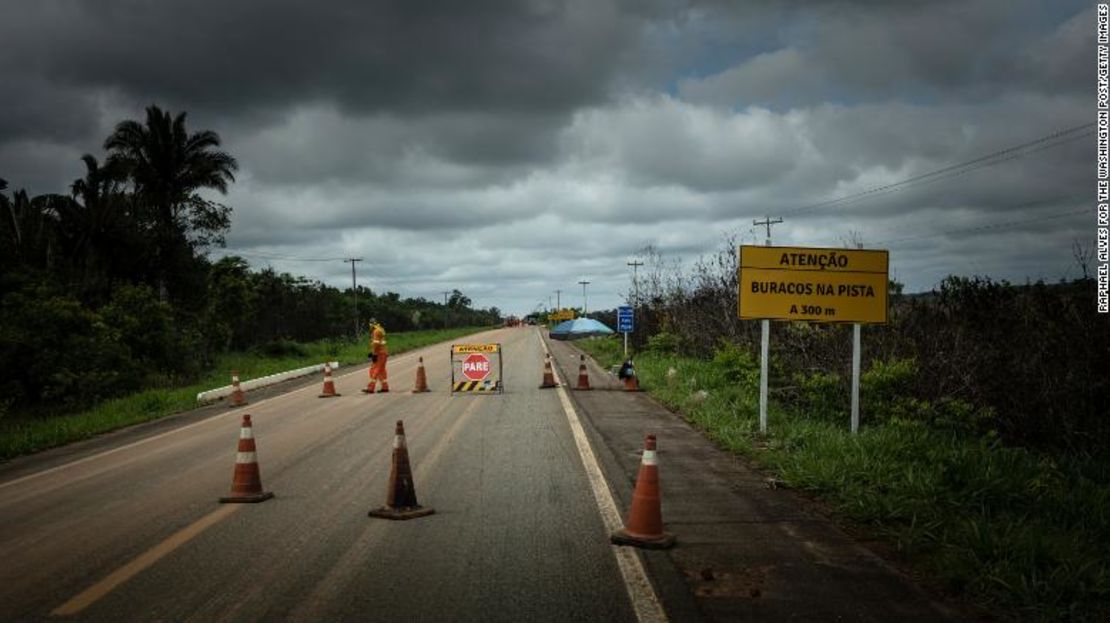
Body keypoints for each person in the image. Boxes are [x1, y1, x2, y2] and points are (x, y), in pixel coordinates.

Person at [365, 318, 389, 393]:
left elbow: (376, 343)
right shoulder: (381, 329)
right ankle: (385, 387)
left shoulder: (376, 331)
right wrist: (373, 353)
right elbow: (380, 342)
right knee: (381, 370)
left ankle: (370, 388)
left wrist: (374, 354)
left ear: (371, 324)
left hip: (379, 353)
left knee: (374, 369)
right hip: (384, 353)